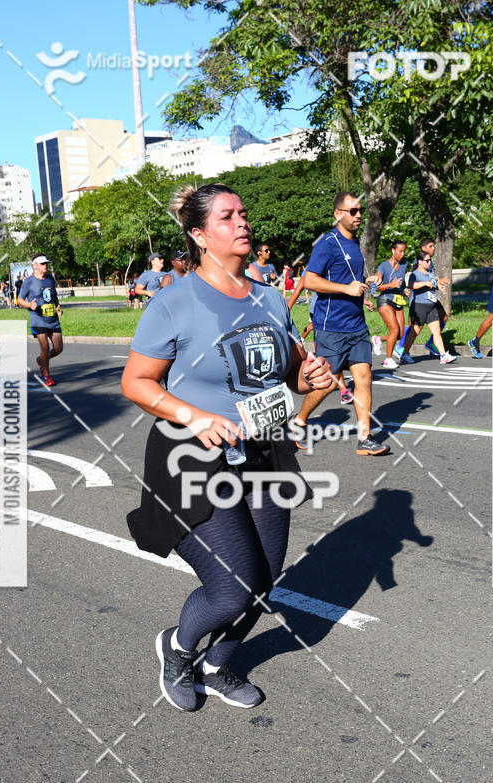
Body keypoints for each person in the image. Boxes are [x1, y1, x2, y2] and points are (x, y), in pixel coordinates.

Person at [121, 182, 331, 712]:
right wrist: (194, 415)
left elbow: (288, 376)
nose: (241, 223)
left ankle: (218, 666)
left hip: (264, 453)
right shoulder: (175, 301)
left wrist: (312, 377)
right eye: (225, 217)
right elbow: (137, 382)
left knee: (264, 582)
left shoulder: (269, 298)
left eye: (242, 214)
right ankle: (178, 647)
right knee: (232, 588)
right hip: (191, 456)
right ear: (199, 235)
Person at [289, 192, 388, 455]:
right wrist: (345, 289)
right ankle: (299, 420)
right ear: (338, 214)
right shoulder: (327, 243)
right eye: (352, 211)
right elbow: (309, 280)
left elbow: (353, 280)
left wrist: (368, 286)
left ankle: (365, 437)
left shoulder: (356, 243)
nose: (358, 215)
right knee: (329, 382)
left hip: (356, 325)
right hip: (331, 326)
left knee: (364, 377)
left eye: (360, 211)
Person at [288, 272, 353, 404]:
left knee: (332, 351)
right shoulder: (312, 268)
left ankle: (338, 386)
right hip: (321, 313)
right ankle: (342, 389)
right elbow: (298, 290)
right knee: (332, 351)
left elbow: (346, 288)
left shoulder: (337, 264)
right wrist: (284, 312)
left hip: (338, 314)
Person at [394, 237, 450, 360]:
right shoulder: (420, 261)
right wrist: (409, 290)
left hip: (430, 299)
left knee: (442, 318)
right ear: (423, 248)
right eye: (430, 246)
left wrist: (439, 284)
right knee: (414, 328)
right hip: (419, 300)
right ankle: (401, 347)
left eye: (433, 246)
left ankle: (440, 351)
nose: (433, 248)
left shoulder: (429, 262)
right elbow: (414, 281)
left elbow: (430, 279)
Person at [16, 254, 63, 386]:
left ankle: (41, 360)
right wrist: (29, 305)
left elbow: (54, 296)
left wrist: (58, 306)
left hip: (52, 318)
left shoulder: (50, 278)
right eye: (42, 264)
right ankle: (47, 375)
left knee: (58, 348)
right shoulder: (29, 281)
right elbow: (19, 300)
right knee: (45, 347)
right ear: (35, 265)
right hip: (37, 319)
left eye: (46, 263)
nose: (45, 266)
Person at [371, 240, 409, 370]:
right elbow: (375, 287)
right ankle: (388, 360)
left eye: (404, 251)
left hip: (398, 300)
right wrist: (390, 285)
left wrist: (405, 290)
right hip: (385, 300)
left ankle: (378, 339)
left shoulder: (404, 264)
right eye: (400, 251)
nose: (403, 254)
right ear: (393, 250)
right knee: (394, 331)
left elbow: (402, 283)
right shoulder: (383, 266)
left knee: (399, 334)